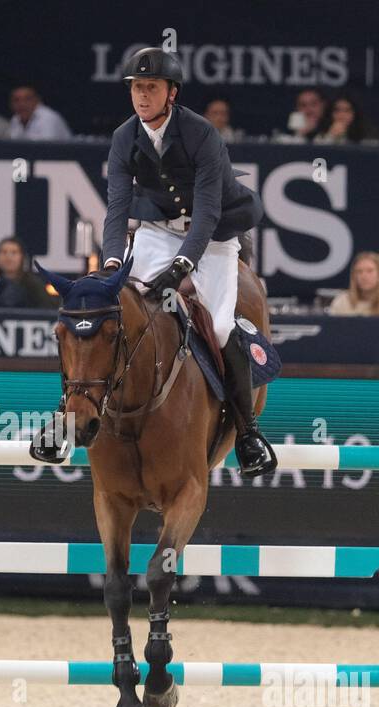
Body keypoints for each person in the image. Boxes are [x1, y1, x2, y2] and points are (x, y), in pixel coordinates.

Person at [31, 46, 271, 476]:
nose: (142, 96)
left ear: (171, 93)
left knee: (218, 326)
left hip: (212, 237)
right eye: (137, 88)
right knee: (109, 311)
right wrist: (109, 265)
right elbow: (117, 209)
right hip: (158, 232)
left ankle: (247, 431)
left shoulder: (202, 135)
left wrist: (181, 268)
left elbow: (207, 214)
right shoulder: (125, 137)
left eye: (151, 88)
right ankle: (64, 417)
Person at [328, 252, 379, 317]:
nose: (364, 276)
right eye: (359, 272)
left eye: (370, 271)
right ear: (354, 277)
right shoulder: (342, 301)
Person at [0, 237, 58, 308]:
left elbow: (47, 309)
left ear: (22, 257)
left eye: (14, 252)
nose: (8, 257)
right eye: (4, 252)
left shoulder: (33, 284)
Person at [314, 93, 379, 145]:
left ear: (355, 113)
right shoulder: (321, 135)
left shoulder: (368, 134)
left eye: (347, 110)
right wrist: (331, 136)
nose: (341, 115)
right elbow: (318, 157)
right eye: (337, 110)